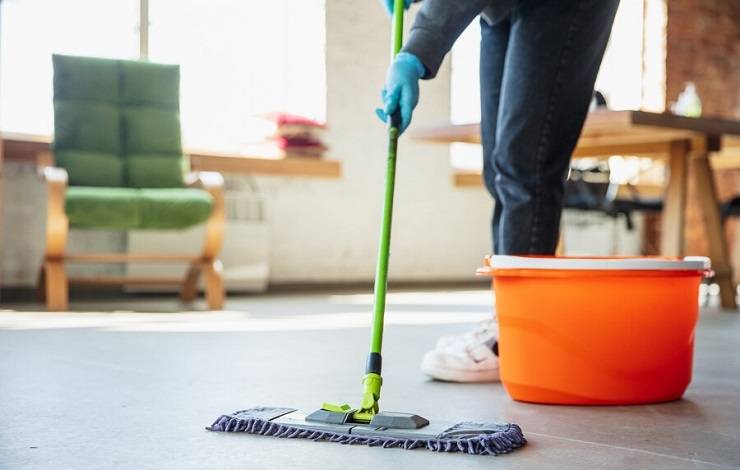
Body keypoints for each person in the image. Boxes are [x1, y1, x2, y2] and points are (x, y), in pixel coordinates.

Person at [376, 0, 620, 382]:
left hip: (564, 8)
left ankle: (521, 332)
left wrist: (416, 52)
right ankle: (506, 314)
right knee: (498, 165)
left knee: (525, 164)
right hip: (501, 9)